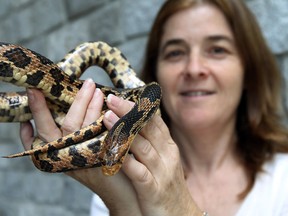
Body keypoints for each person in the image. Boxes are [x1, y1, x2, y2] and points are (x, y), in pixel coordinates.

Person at [19, 0, 288, 215]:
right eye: (175, 53)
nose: (194, 69)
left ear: (248, 70)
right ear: (154, 72)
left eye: (217, 50)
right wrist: (121, 202)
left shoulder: (283, 183)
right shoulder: (125, 173)